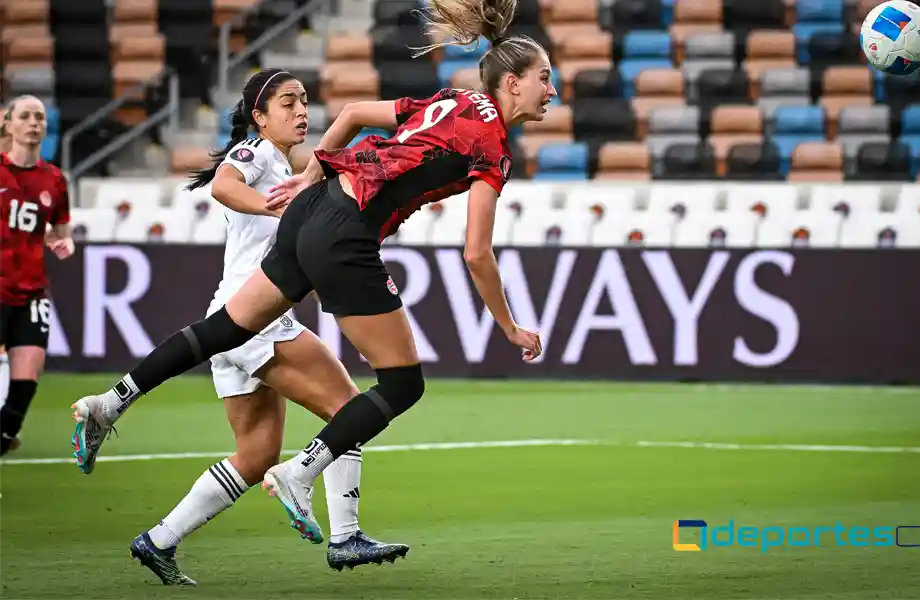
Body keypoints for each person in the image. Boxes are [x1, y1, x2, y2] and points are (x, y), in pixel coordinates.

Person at [72, 0, 551, 542]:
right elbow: (476, 253)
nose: (551, 90)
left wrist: (309, 175)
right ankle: (300, 474)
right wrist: (509, 327)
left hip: (313, 207)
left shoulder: (451, 100)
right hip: (347, 231)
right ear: (511, 83)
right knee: (402, 384)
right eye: (544, 78)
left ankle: (109, 403)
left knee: (225, 330)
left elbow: (349, 114)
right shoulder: (493, 148)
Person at [71, 69, 408, 584]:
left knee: (255, 457)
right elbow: (225, 186)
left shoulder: (290, 168)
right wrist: (273, 206)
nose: (302, 112)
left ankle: (158, 540)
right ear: (259, 116)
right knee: (349, 409)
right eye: (288, 103)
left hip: (237, 318)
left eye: (304, 102)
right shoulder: (256, 155)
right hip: (254, 321)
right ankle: (346, 536)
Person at [1, 95, 74, 456]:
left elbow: (60, 229)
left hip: (31, 290)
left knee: (26, 381)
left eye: (40, 117)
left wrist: (62, 243)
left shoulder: (54, 180)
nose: (33, 123)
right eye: (25, 116)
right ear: (9, 124)